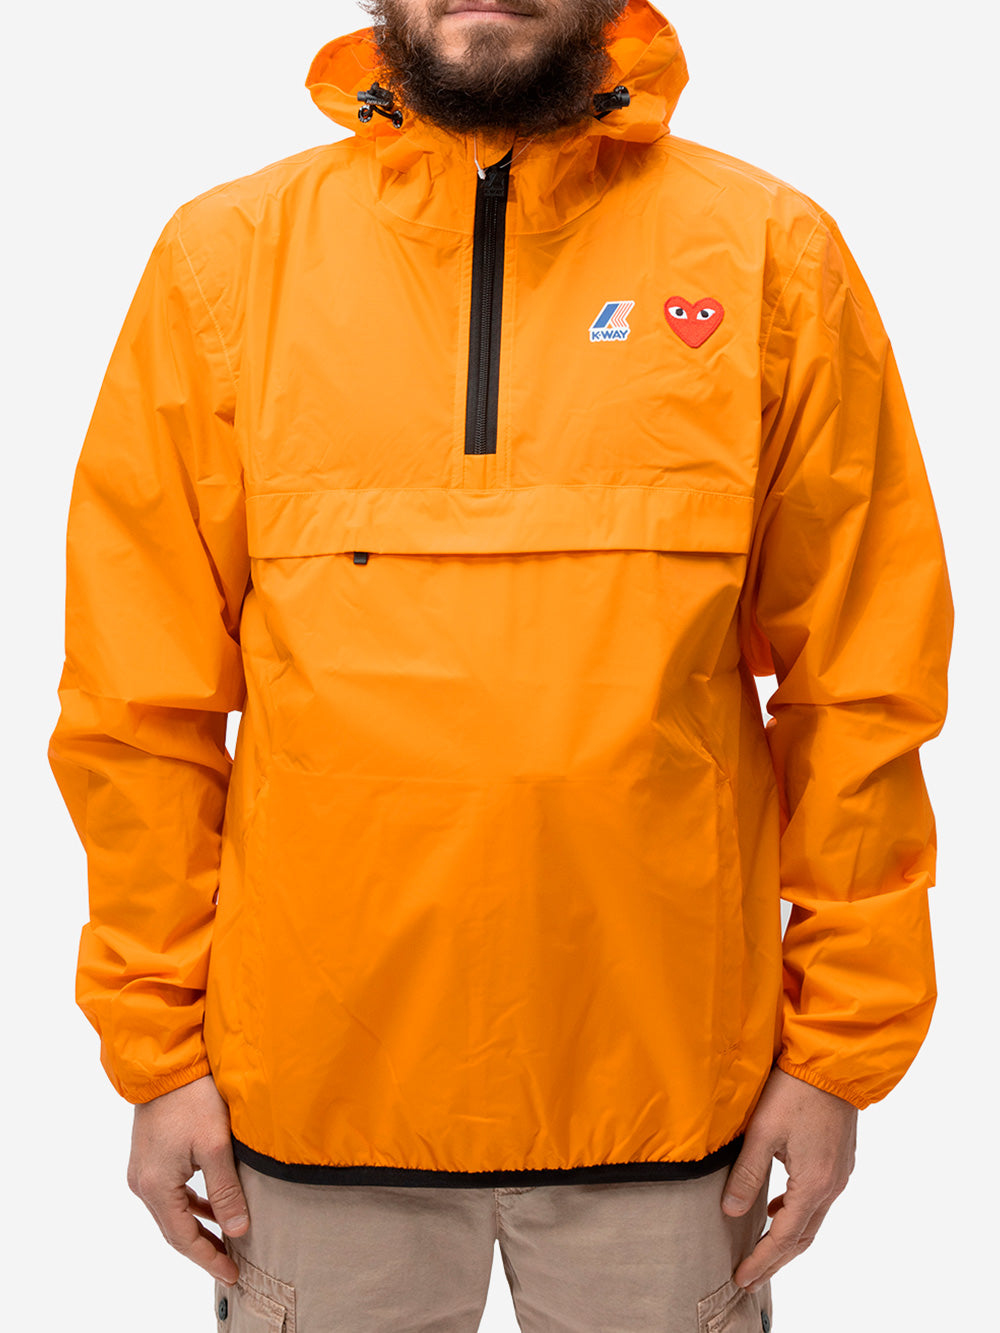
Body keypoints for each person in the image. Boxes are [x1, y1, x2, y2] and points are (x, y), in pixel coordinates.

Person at [47, 0, 953, 1328]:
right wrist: (155, 1048)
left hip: (676, 1112)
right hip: (301, 1107)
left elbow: (864, 681)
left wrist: (837, 1055)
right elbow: (137, 703)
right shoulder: (225, 261)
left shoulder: (770, 251)